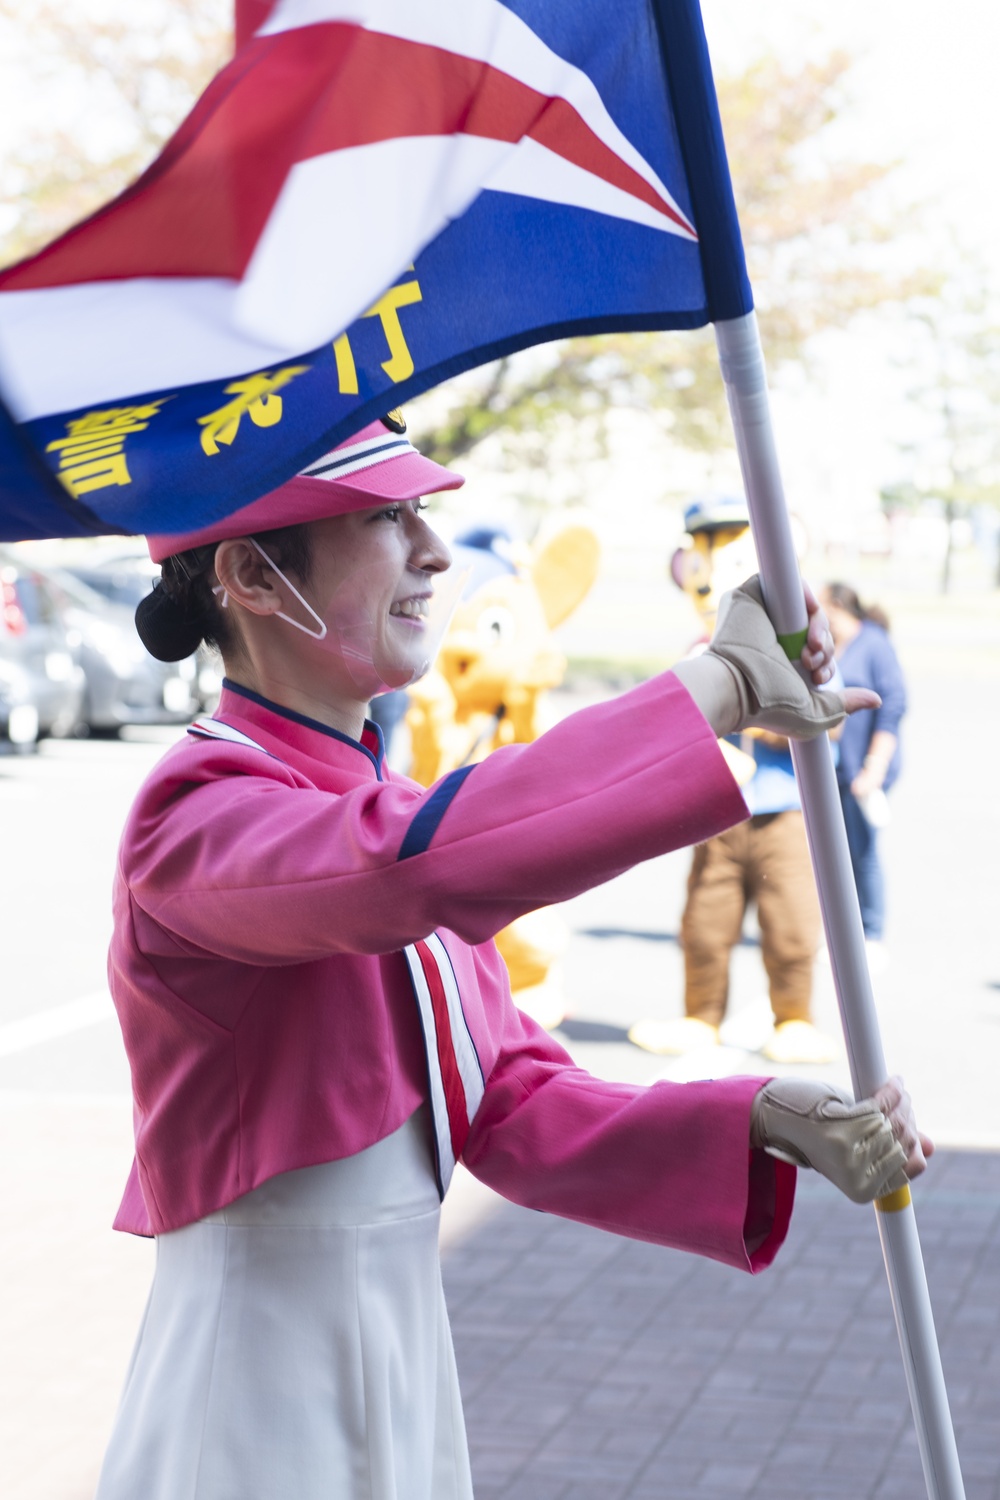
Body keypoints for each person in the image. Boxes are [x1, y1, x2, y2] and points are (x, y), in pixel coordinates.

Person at [95, 417, 930, 1500]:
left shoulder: (373, 812)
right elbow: (409, 873)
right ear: (253, 575)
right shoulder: (197, 813)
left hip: (403, 1358)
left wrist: (767, 1114)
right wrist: (711, 688)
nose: (434, 554)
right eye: (388, 519)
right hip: (251, 1380)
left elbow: (510, 1104)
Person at [631, 495, 837, 1064]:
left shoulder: (798, 640)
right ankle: (700, 1014)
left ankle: (793, 1016)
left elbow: (825, 713)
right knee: (704, 920)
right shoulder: (699, 647)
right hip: (716, 812)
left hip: (783, 812)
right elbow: (672, 716)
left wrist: (763, 719)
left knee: (791, 922)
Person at [820, 583, 907, 966]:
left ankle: (871, 934)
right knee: (836, 852)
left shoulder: (873, 643)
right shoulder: (832, 644)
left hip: (863, 767)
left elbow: (894, 706)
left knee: (863, 850)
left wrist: (875, 765)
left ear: (836, 606)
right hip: (835, 768)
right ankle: (844, 932)